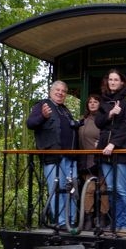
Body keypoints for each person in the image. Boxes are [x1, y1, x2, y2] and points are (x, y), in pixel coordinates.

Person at [26, 80, 80, 230]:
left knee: (72, 188)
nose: (60, 93)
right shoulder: (42, 105)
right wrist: (42, 116)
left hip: (70, 157)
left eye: (63, 91)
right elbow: (30, 124)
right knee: (57, 188)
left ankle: (72, 220)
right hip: (52, 156)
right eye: (57, 90)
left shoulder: (65, 110)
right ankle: (61, 222)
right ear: (51, 91)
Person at [95, 69, 126, 234]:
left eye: (116, 79)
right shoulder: (104, 102)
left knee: (122, 189)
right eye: (110, 79)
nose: (112, 82)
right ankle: (116, 223)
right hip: (105, 151)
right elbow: (98, 122)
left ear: (122, 82)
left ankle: (125, 224)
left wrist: (113, 144)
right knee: (111, 189)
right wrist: (111, 113)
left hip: (122, 150)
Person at [78, 94, 109, 230]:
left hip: (101, 159)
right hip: (86, 160)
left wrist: (102, 143)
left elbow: (110, 135)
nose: (92, 104)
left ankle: (103, 217)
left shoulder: (104, 120)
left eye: (95, 101)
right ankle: (88, 218)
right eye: (90, 102)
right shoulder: (82, 120)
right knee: (88, 190)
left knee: (103, 189)